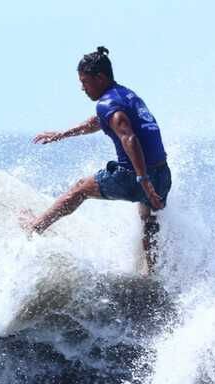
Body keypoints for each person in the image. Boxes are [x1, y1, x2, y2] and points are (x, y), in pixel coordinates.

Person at [24, 46, 171, 274]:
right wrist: (62, 134)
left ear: (100, 78)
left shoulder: (108, 104)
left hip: (133, 177)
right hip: (163, 174)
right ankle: (151, 274)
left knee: (80, 189)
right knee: (148, 218)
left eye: (85, 82)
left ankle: (35, 226)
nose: (82, 88)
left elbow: (129, 139)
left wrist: (143, 182)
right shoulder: (125, 95)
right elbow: (97, 122)